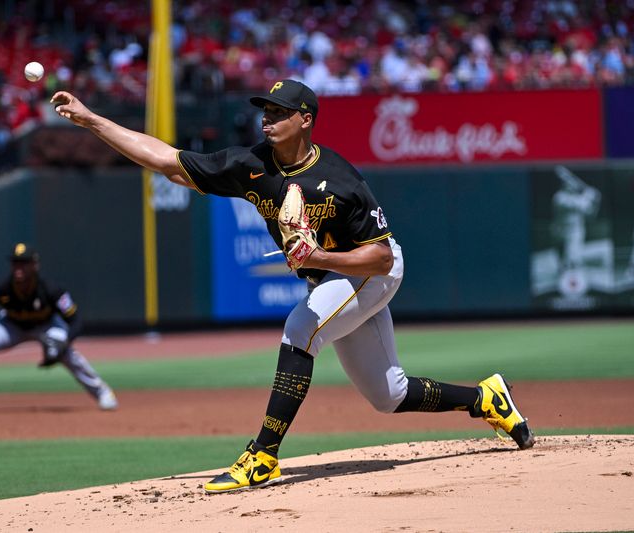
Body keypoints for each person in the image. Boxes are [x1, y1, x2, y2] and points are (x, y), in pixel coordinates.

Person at [50, 79, 534, 494]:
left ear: (306, 120)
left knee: (299, 328)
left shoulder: (340, 177)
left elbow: (382, 256)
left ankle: (263, 454)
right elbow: (168, 160)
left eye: (280, 112)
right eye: (265, 110)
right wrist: (93, 120)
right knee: (389, 394)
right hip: (332, 277)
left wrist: (319, 257)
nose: (268, 119)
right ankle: (485, 399)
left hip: (371, 271)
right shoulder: (250, 165)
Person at [0, 243, 118, 413]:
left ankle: (103, 393)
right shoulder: (0, 287)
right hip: (11, 326)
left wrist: (65, 342)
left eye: (24, 262)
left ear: (35, 265)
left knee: (65, 352)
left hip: (46, 326)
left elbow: (75, 320)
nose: (18, 267)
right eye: (15, 263)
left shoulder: (51, 290)